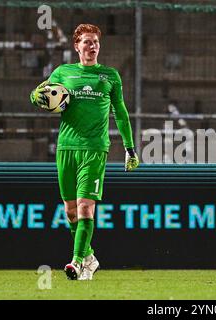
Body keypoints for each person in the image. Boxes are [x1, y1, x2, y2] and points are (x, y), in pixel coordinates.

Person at [30, 24, 139, 280]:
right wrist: (37, 96)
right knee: (70, 211)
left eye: (96, 42)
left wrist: (129, 148)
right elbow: (36, 95)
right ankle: (89, 256)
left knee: (85, 207)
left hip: (94, 149)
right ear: (76, 45)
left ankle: (77, 262)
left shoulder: (110, 76)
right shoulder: (63, 72)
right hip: (67, 147)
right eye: (87, 42)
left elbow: (121, 114)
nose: (92, 46)